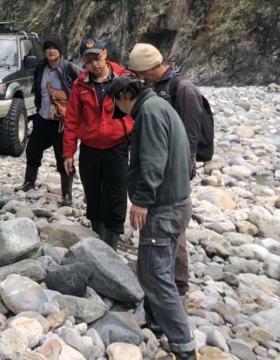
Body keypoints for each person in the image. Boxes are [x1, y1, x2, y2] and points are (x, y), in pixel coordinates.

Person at [110, 74, 196, 360]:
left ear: (124, 97)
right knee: (163, 269)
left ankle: (183, 345)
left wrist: (142, 201)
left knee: (154, 274)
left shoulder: (148, 112)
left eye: (116, 104)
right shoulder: (159, 105)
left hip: (163, 206)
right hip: (176, 201)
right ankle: (157, 323)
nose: (119, 110)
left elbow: (153, 160)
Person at [128, 42, 212, 302]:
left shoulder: (183, 90)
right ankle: (158, 276)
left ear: (153, 67)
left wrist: (182, 171)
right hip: (159, 169)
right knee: (158, 224)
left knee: (173, 227)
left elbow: (189, 135)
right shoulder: (157, 87)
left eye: (141, 73)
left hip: (173, 172)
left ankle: (177, 285)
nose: (140, 79)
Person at [62, 38, 133, 249]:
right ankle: (97, 235)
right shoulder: (80, 85)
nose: (94, 64)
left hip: (117, 147)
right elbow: (72, 119)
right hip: (90, 148)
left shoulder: (124, 79)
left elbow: (136, 112)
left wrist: (129, 133)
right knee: (92, 193)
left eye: (97, 57)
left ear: (105, 54)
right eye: (88, 60)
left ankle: (111, 242)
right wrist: (68, 153)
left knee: (116, 192)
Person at [15, 33, 83, 204]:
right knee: (32, 150)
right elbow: (38, 91)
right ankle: (29, 183)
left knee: (64, 155)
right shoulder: (41, 68)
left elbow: (85, 82)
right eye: (48, 48)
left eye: (54, 48)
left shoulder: (69, 68)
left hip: (62, 122)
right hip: (43, 117)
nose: (51, 51)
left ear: (60, 50)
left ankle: (67, 194)